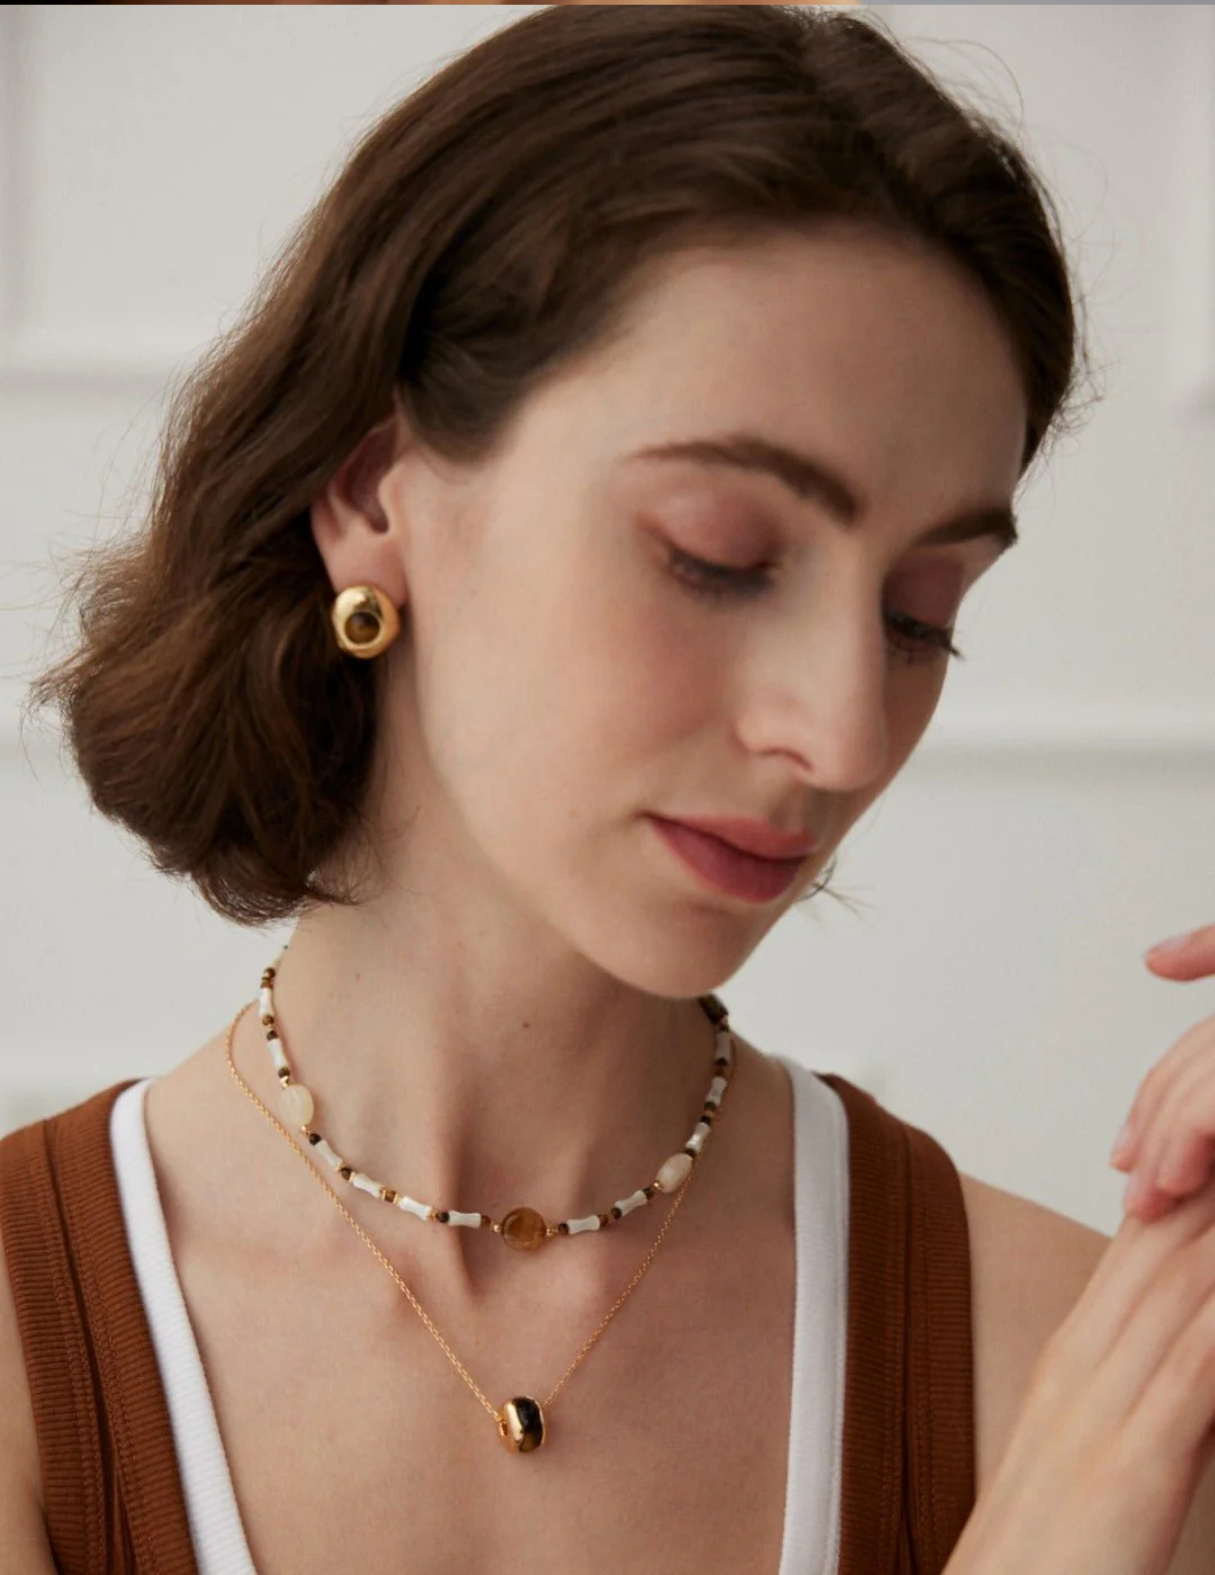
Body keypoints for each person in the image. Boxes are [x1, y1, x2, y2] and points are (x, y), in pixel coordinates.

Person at [4, 6, 1213, 1573]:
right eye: (715, 555)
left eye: (921, 612)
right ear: (375, 493)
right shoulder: (38, 1361)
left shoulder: (1093, 1371)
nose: (844, 734)